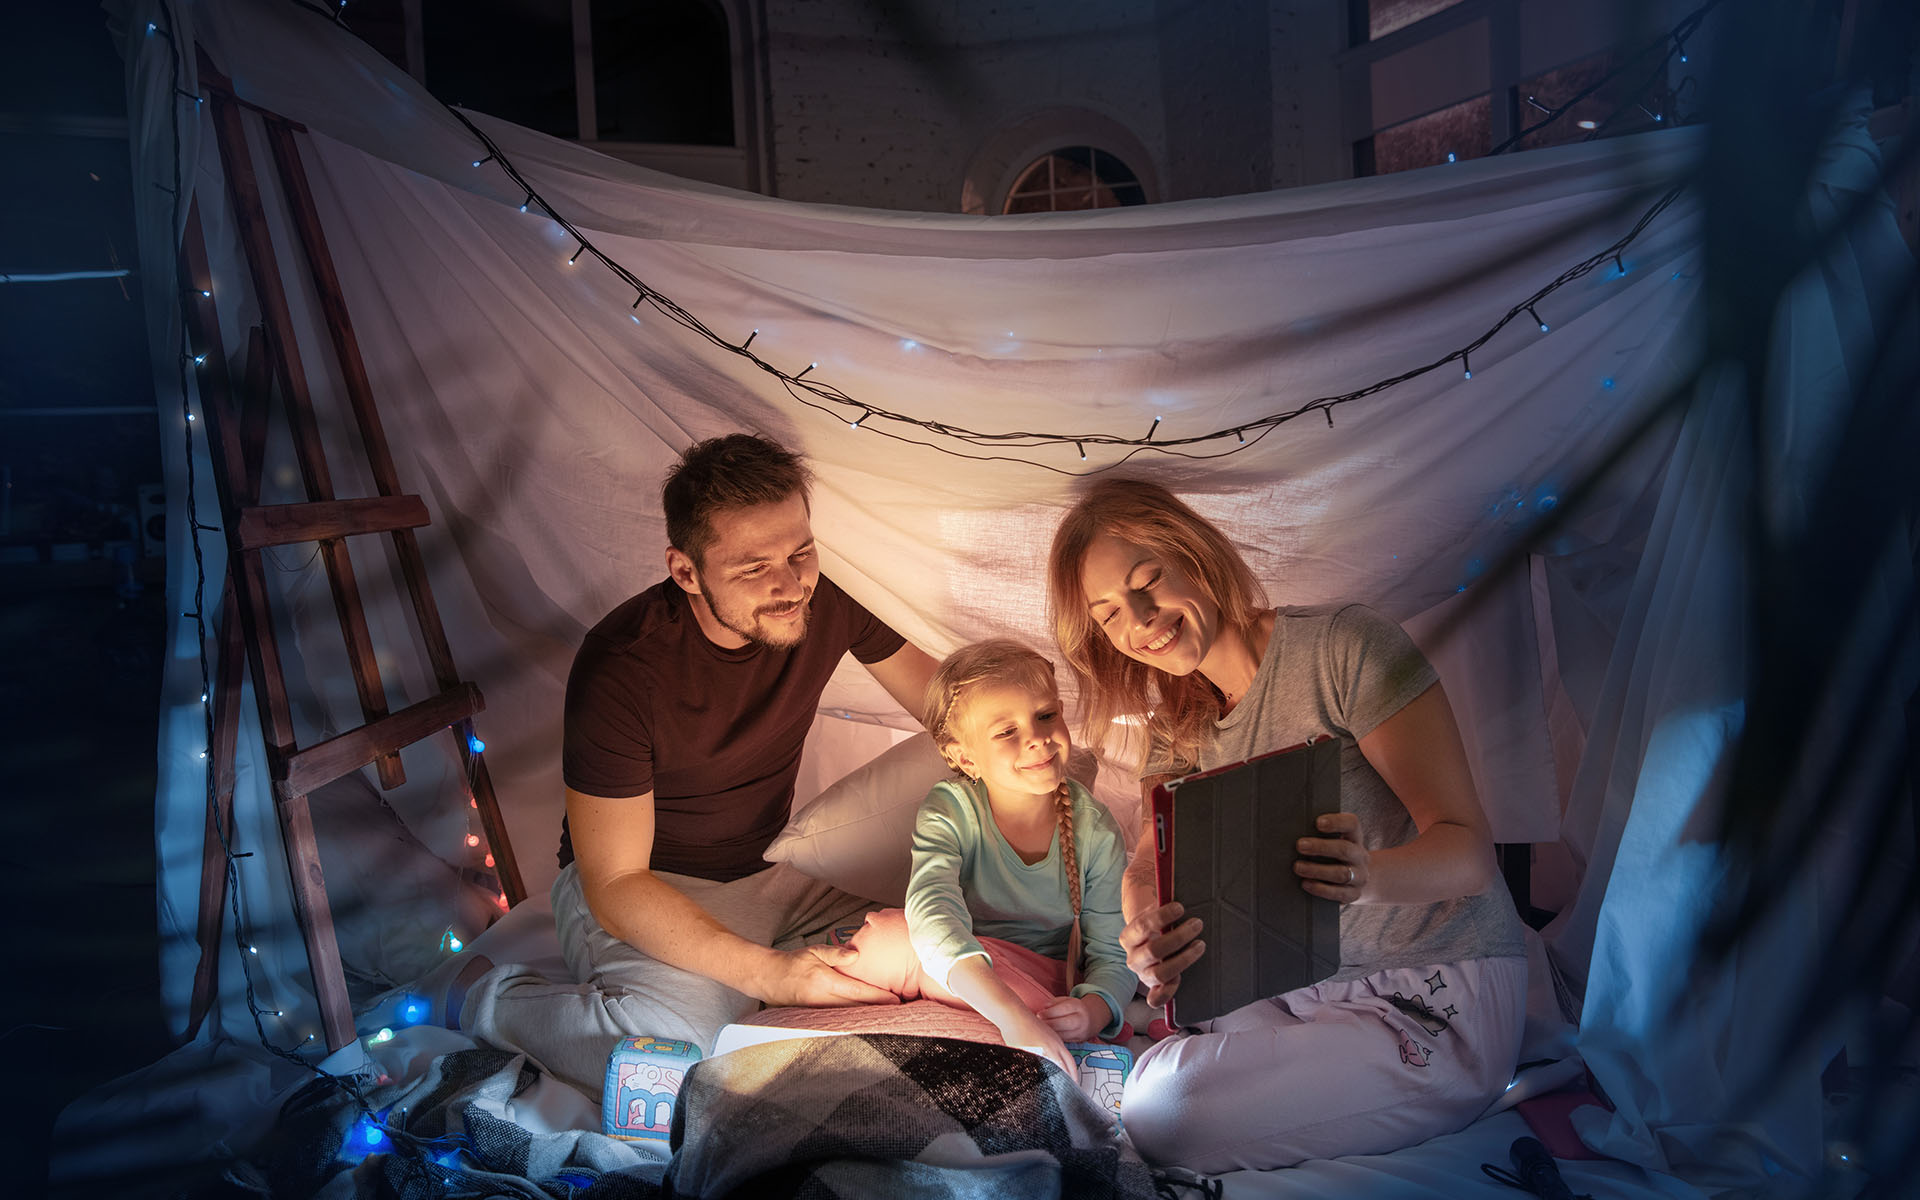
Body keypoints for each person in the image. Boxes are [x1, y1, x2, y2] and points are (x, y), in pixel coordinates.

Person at [1046, 477, 1528, 1173]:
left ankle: (1443, 1078)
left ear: (1198, 555)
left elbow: (1470, 853)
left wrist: (1366, 878)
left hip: (1433, 992)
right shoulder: (1172, 726)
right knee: (1156, 1065)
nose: (1142, 617)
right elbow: (1151, 863)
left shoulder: (1343, 649)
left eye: (1148, 580)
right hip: (1290, 988)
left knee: (1161, 1114)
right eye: (1111, 614)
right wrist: (1143, 933)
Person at [453, 433, 938, 1098]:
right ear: (686, 573)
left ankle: (754, 985)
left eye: (801, 553)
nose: (790, 584)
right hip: (651, 891)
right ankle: (488, 997)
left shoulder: (828, 597)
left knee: (940, 942)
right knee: (677, 1059)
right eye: (752, 569)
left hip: (774, 874)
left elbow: (954, 707)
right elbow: (617, 881)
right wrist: (768, 975)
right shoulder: (624, 665)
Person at [826, 640, 1136, 1079]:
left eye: (1046, 715)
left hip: (1034, 981)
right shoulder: (950, 809)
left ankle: (988, 1010)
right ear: (964, 757)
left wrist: (1094, 1009)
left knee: (1051, 1015)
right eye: (1006, 732)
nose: (1036, 738)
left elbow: (1112, 949)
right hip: (965, 963)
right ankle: (985, 1008)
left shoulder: (1095, 829)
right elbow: (932, 907)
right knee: (887, 939)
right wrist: (1006, 1012)